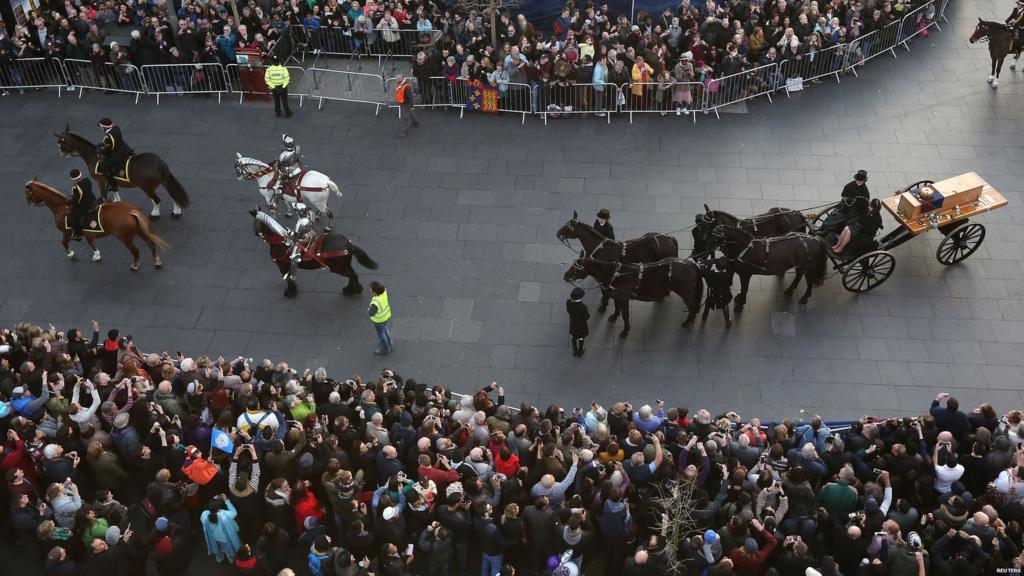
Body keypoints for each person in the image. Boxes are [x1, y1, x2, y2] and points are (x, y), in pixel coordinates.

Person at [821, 170, 869, 236]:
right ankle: (824, 226)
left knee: (840, 218)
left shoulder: (865, 191)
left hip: (855, 210)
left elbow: (864, 205)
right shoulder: (850, 185)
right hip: (845, 205)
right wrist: (847, 199)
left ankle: (828, 230)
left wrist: (854, 202)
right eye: (857, 180)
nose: (858, 182)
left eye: (860, 181)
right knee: (834, 214)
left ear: (863, 181)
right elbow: (843, 194)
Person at [96, 118, 132, 195]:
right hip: (123, 148)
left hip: (117, 153)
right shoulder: (116, 128)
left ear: (104, 127)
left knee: (104, 167)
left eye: (101, 127)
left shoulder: (108, 137)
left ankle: (113, 185)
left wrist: (100, 151)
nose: (101, 128)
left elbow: (109, 149)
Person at [701, 252, 734, 328]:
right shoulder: (727, 275)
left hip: (712, 293)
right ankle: (727, 322)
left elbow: (702, 270)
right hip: (723, 293)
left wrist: (705, 263)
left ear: (716, 265)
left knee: (708, 304)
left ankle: (704, 316)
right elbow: (730, 283)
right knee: (725, 306)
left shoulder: (709, 274)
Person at [67, 169, 96, 242]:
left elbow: (78, 200)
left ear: (73, 179)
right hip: (92, 199)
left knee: (73, 218)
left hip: (85, 205)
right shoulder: (87, 180)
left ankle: (78, 234)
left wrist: (70, 202)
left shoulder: (76, 188)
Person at [368, 281, 393, 355]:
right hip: (385, 316)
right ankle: (390, 343)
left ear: (374, 291)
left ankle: (386, 349)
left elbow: (371, 313)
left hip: (378, 320)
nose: (369, 289)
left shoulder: (375, 302)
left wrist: (368, 310)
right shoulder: (384, 291)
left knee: (381, 334)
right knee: (385, 329)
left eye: (370, 288)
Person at [566, 287, 590, 357]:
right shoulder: (583, 307)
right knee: (581, 338)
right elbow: (587, 317)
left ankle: (575, 350)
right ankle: (580, 350)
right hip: (581, 326)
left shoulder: (568, 302)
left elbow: (569, 311)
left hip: (573, 324)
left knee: (574, 337)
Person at [1008, 0, 1024, 69]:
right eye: (1017, 4)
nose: (1017, 5)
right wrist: (1006, 21)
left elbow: (1019, 21)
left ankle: (1017, 53)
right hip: (1014, 26)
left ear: (1022, 5)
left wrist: (1013, 24)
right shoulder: (1015, 9)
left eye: (1019, 4)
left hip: (1021, 28)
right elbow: (1011, 16)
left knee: (1019, 40)